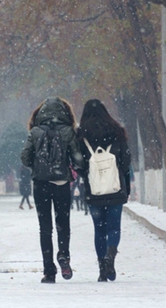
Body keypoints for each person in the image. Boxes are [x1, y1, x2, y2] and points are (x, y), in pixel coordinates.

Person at [20, 96, 84, 283]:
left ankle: (49, 271)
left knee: (45, 228)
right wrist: (69, 164)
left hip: (40, 185)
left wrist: (37, 166)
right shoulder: (68, 132)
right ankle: (63, 256)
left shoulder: (35, 132)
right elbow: (78, 158)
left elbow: (24, 158)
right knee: (63, 224)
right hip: (62, 184)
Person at [77, 98, 131, 282]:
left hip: (94, 190)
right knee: (114, 227)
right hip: (116, 188)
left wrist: (86, 174)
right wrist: (125, 183)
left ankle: (102, 268)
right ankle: (111, 258)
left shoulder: (81, 134)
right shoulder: (117, 131)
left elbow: (78, 163)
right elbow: (125, 161)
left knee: (99, 229)